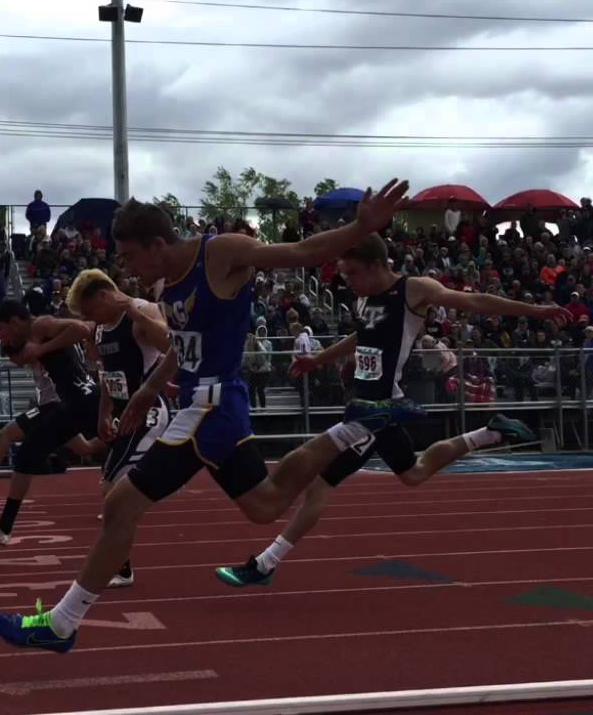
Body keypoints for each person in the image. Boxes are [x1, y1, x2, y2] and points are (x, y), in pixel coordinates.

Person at [0, 179, 412, 653]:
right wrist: (149, 388)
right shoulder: (166, 283)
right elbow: (182, 346)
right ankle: (353, 429)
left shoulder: (220, 253)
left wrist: (360, 228)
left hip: (211, 406)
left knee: (121, 504)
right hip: (204, 405)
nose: (124, 267)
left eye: (129, 256)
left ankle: (62, 623)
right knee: (264, 506)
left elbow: (301, 251)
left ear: (157, 244)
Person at [215, 233, 573, 587]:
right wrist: (318, 360)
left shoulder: (414, 290)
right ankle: (490, 432)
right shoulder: (366, 299)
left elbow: (474, 301)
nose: (349, 281)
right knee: (413, 473)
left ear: (376, 265)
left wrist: (536, 311)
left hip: (377, 411)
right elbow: (361, 337)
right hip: (372, 405)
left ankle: (265, 563)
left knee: (320, 481)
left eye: (353, 273)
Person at [67, 268, 175, 588]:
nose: (91, 320)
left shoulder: (139, 311)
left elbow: (172, 344)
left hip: (148, 412)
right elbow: (108, 377)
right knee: (113, 490)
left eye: (91, 311)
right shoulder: (101, 331)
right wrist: (104, 415)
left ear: (105, 297)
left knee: (112, 489)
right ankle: (121, 565)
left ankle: (120, 567)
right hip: (124, 414)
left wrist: (133, 310)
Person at [0, 300, 102, 546]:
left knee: (27, 453)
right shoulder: (32, 335)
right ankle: (3, 527)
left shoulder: (41, 324)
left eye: (2, 330)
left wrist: (43, 348)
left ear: (15, 322)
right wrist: (34, 349)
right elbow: (21, 357)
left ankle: (3, 527)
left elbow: (83, 328)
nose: (1, 336)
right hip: (78, 403)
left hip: (80, 401)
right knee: (71, 449)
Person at [0, 344, 103, 494]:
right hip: (55, 407)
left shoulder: (40, 353)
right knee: (85, 448)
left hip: (51, 407)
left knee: (4, 435)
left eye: (13, 357)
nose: (13, 362)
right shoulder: (40, 355)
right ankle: (113, 438)